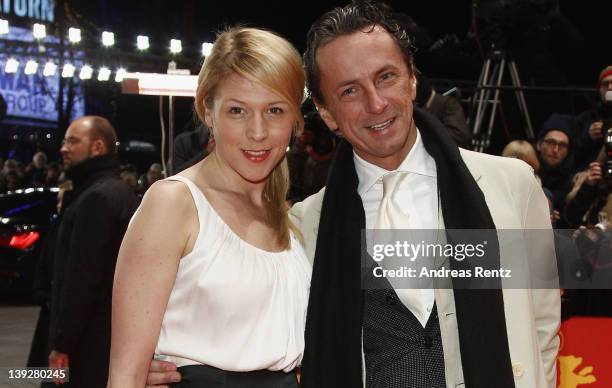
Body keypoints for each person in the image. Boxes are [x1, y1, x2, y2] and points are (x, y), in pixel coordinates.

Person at [148, 2, 559, 388]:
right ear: (326, 114)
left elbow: (542, 326)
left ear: (412, 79)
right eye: (349, 91)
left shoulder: (512, 186)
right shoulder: (305, 225)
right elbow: (255, 331)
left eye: (386, 77)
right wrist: (177, 367)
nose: (376, 103)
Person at [109, 27, 311, 388]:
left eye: (275, 110)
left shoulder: (286, 217)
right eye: (237, 110)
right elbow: (125, 375)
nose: (258, 132)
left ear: (295, 119)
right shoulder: (173, 204)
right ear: (207, 111)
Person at [48, 116, 139, 387]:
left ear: (98, 147)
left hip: (88, 342)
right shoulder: (113, 191)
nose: (63, 148)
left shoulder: (97, 198)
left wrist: (62, 343)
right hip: (104, 337)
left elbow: (82, 278)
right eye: (64, 141)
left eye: (73, 141)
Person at [573, 65, 612, 170]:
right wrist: (587, 138)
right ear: (599, 89)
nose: (610, 88)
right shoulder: (585, 119)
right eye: (605, 84)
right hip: (593, 178)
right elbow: (569, 158)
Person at [537, 113, 575, 213]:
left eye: (562, 145)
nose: (555, 149)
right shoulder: (526, 172)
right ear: (539, 144)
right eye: (551, 142)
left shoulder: (572, 184)